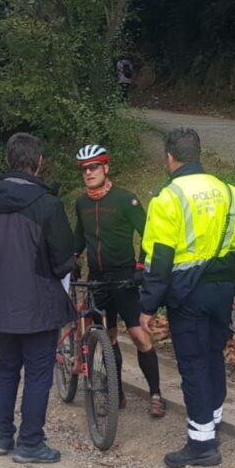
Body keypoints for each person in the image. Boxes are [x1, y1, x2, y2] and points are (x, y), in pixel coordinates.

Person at [139, 127, 235, 468]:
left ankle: (201, 444)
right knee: (213, 355)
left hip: (188, 294)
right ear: (199, 154)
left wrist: (148, 306)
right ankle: (212, 421)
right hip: (221, 290)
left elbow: (160, 259)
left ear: (169, 157)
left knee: (192, 363)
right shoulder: (230, 193)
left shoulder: (168, 198)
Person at [0, 133, 76, 464]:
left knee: (6, 366)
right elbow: (63, 258)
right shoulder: (48, 204)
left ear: (8, 160)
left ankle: (2, 435)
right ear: (39, 162)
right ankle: (30, 442)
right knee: (38, 373)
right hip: (38, 304)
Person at [72, 144, 165, 418]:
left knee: (139, 336)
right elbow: (79, 237)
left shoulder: (126, 199)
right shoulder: (82, 203)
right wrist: (72, 258)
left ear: (106, 168)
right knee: (108, 337)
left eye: (94, 167)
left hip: (125, 277)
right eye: (84, 169)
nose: (88, 173)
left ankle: (156, 394)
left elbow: (149, 234)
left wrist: (140, 266)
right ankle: (117, 394)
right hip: (97, 279)